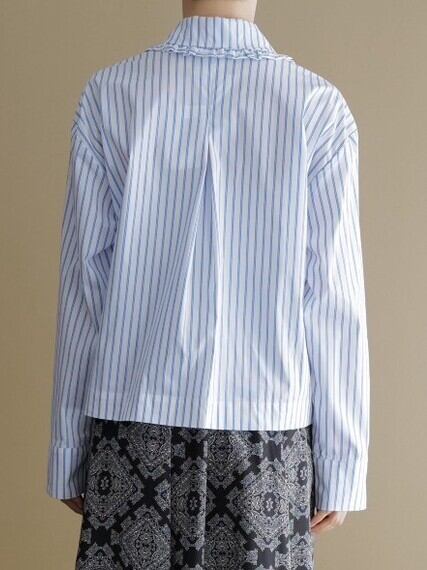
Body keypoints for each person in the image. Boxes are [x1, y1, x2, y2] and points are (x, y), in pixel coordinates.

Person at [46, 0, 370, 568]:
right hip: (267, 438)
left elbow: (84, 286)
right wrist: (343, 462)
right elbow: (333, 300)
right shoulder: (315, 106)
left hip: (131, 424)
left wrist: (68, 447)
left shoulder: (112, 95)